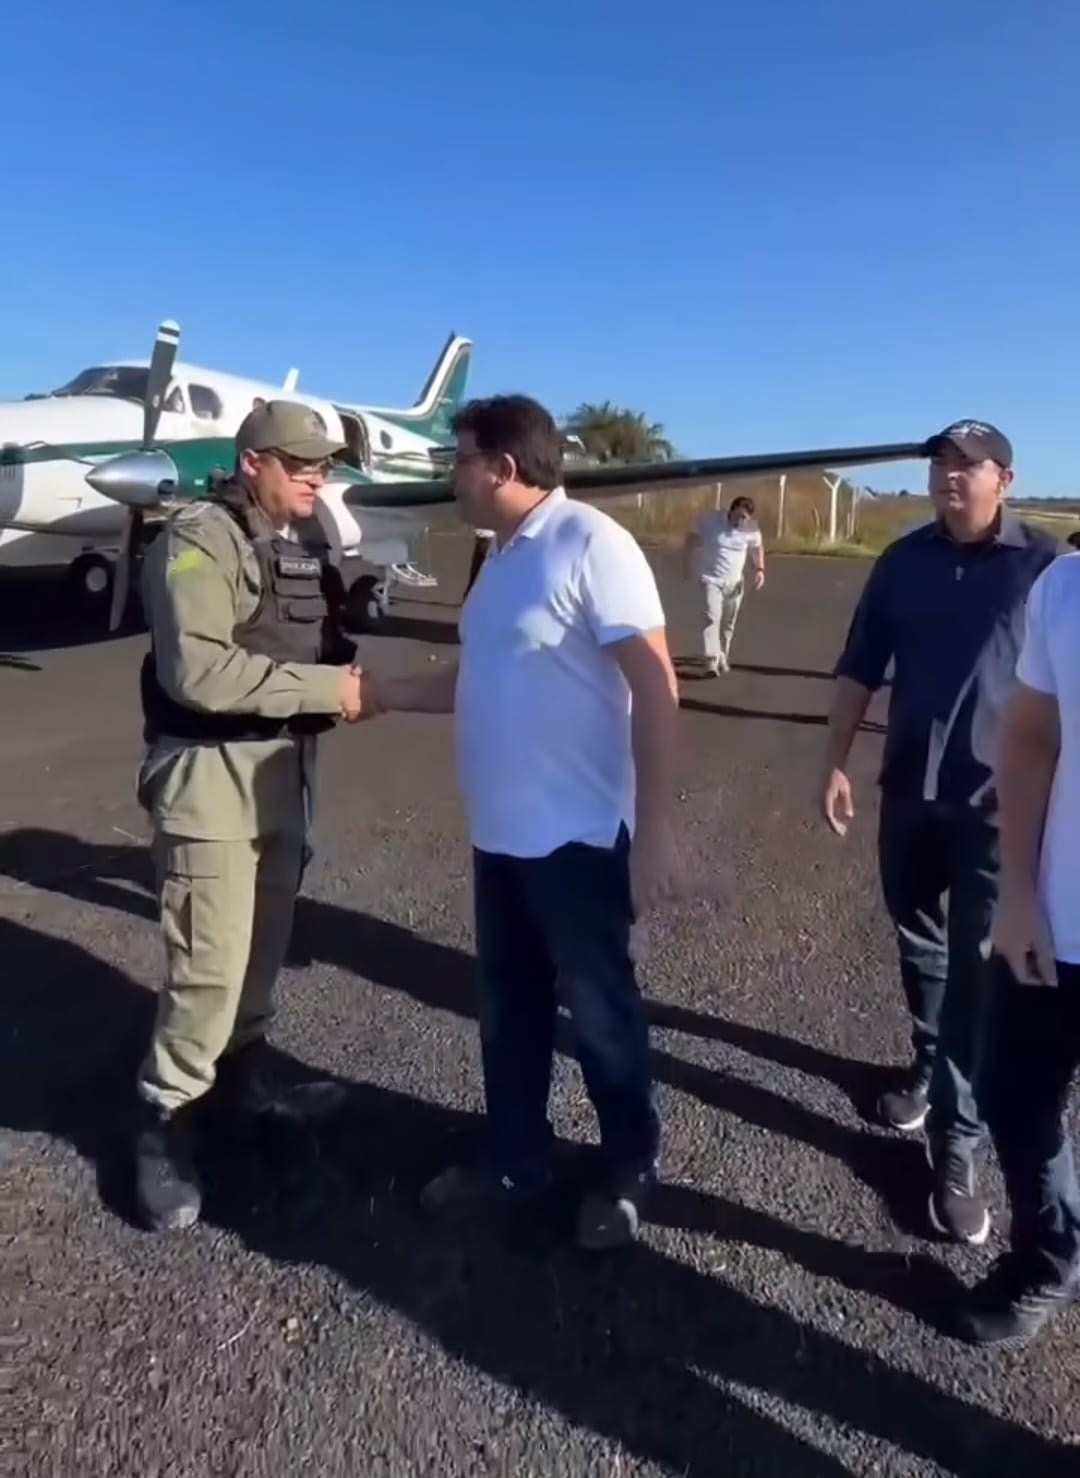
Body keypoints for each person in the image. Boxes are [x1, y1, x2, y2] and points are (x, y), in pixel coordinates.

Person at [367, 393, 684, 1249]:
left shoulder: (590, 542)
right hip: (500, 836)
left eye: (459, 459)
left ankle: (628, 1166)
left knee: (601, 1012)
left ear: (503, 468)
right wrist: (384, 694)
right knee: (509, 1011)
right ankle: (516, 1155)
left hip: (578, 838)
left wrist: (654, 830)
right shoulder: (499, 558)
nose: (451, 476)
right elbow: (480, 681)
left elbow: (656, 683)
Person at [133, 400, 370, 1233]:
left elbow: (312, 644)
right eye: (299, 461)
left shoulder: (307, 542)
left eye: (326, 465)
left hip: (283, 773)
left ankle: (245, 1086)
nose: (317, 475)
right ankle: (164, 1124)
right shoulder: (196, 541)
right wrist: (329, 693)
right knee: (207, 969)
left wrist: (344, 656)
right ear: (250, 463)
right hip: (209, 782)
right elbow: (198, 672)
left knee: (262, 955)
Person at [819, 420, 1058, 1246]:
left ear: (1006, 478)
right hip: (909, 795)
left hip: (1000, 808)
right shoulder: (902, 562)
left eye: (968, 464)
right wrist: (835, 762)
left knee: (977, 977)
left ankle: (958, 1146)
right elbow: (859, 667)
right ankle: (927, 1066)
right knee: (917, 941)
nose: (949, 475)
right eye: (940, 463)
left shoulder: (1048, 568)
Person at [956, 549, 1080, 1344]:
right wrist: (1018, 893)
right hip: (1058, 921)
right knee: (1011, 1094)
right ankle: (1051, 1254)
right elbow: (1031, 736)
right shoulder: (1064, 586)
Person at [682, 494, 765, 674]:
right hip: (711, 579)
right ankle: (711, 661)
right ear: (730, 511)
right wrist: (686, 563)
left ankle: (722, 654)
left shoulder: (750, 529)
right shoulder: (711, 521)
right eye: (737, 516)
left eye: (744, 518)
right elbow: (691, 538)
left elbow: (757, 548)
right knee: (711, 617)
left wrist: (760, 569)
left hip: (734, 583)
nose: (740, 521)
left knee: (728, 623)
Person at [462, 527, 494, 599]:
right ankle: (470, 595)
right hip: (484, 538)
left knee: (478, 568)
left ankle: (470, 595)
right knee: (478, 568)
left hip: (486, 538)